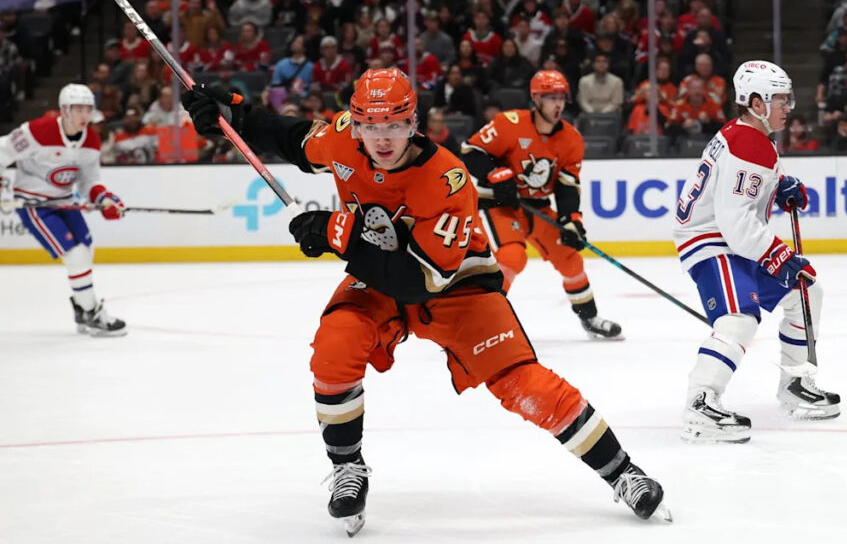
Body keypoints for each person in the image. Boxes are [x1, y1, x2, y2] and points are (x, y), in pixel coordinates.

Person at [181, 69, 669, 535]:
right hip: (380, 277)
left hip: (453, 284)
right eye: (373, 126)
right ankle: (348, 467)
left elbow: (418, 281)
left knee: (524, 383)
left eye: (395, 124)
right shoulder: (343, 137)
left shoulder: (446, 180)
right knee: (334, 348)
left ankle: (622, 472)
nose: (384, 138)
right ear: (357, 124)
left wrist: (337, 231)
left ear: (413, 122)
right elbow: (290, 138)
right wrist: (230, 116)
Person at [673, 61, 840, 443]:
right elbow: (736, 225)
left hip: (730, 237)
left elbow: (742, 193)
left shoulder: (750, 135)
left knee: (806, 290)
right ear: (755, 102)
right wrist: (778, 257)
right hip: (711, 240)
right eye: (780, 99)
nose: (788, 106)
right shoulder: (748, 142)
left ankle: (794, 384)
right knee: (738, 319)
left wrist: (779, 184)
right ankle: (700, 403)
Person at [460, 70, 623, 340]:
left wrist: (572, 219)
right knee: (512, 257)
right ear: (536, 99)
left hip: (537, 206)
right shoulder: (508, 123)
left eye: (561, 97)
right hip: (499, 204)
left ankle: (589, 317)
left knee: (570, 259)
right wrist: (495, 174)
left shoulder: (571, 139)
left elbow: (567, 185)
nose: (557, 104)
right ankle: (483, 321)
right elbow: (470, 152)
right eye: (550, 98)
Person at [0, 84, 127, 336]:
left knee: (86, 249)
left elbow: (89, 180)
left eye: (87, 109)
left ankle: (81, 309)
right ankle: (92, 313)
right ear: (64, 110)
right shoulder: (37, 131)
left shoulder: (91, 140)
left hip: (65, 200)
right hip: (34, 204)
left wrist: (104, 199)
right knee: (75, 254)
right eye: (77, 109)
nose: (83, 115)